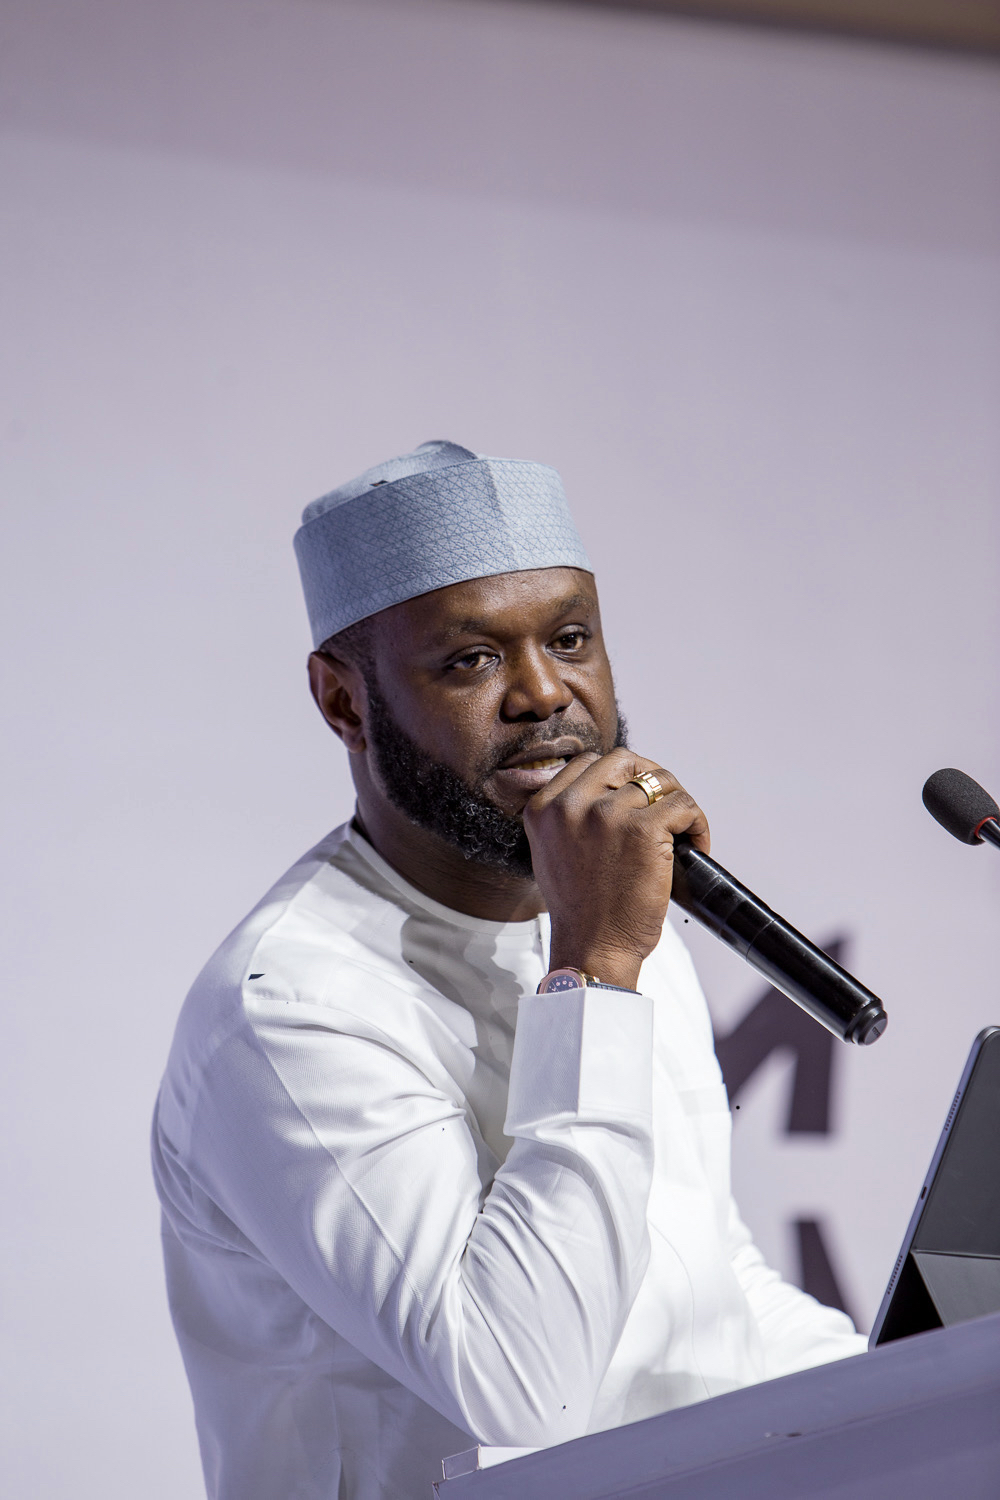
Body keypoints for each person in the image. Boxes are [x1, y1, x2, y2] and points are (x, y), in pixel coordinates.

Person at [152, 441, 864, 1500]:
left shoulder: (602, 915)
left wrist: (918, 1384)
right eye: (471, 661)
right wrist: (597, 971)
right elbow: (523, 1391)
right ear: (344, 704)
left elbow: (702, 1283)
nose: (543, 693)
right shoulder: (291, 1011)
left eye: (570, 640)